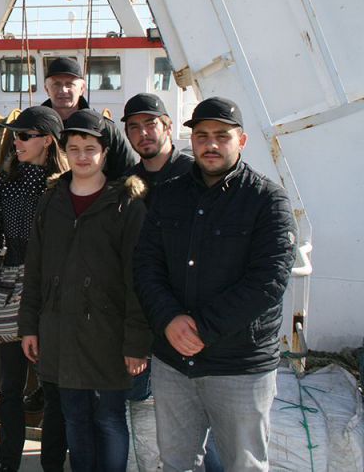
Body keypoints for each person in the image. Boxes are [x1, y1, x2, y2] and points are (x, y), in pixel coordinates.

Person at [134, 97, 297, 471]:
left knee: (244, 464)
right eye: (202, 135)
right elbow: (146, 265)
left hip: (239, 366)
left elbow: (268, 282)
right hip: (174, 362)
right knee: (176, 463)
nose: (210, 144)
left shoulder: (267, 201)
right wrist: (169, 319)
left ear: (241, 142)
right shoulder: (169, 195)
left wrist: (203, 329)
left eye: (222, 136)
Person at [19, 109, 151, 472]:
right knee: (74, 416)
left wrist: (136, 342)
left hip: (108, 333)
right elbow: (36, 270)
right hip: (59, 329)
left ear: (104, 152)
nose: (81, 155)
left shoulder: (125, 203)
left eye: (90, 148)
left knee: (109, 418)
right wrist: (29, 325)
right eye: (74, 147)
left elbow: (138, 280)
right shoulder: (52, 199)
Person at [121, 92, 224, 471]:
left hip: (192, 319)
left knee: (202, 425)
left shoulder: (193, 176)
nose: (143, 133)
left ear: (167, 127)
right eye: (134, 127)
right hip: (146, 315)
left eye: (151, 124)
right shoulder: (127, 183)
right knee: (156, 419)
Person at [0, 106, 68, 472]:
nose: (17, 141)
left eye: (25, 135)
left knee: (55, 387)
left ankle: (52, 463)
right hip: (11, 282)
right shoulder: (5, 181)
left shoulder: (65, 186)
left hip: (51, 288)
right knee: (10, 386)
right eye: (15, 135)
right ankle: (8, 462)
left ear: (47, 140)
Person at [41, 56, 137, 179]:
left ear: (82, 89)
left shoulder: (105, 128)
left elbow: (126, 171)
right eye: (56, 84)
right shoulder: (30, 129)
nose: (63, 90)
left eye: (69, 84)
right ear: (46, 89)